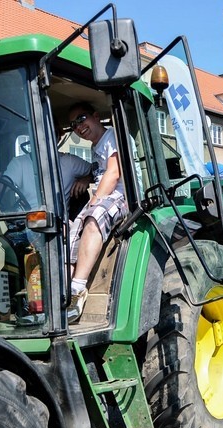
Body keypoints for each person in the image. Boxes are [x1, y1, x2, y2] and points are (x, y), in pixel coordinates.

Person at [66, 102, 129, 322]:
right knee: (73, 229)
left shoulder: (113, 135)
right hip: (107, 195)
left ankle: (77, 290)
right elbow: (99, 171)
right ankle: (63, 291)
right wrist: (85, 179)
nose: (78, 126)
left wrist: (93, 201)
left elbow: (113, 173)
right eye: (73, 125)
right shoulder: (96, 147)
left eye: (81, 119)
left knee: (93, 218)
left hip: (124, 196)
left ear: (95, 115)